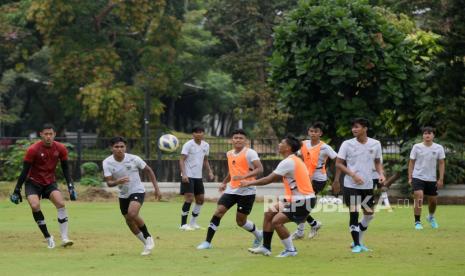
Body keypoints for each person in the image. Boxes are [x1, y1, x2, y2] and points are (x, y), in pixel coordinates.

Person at [242, 135, 316, 258]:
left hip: (304, 201)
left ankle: (291, 250)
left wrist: (249, 182)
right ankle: (266, 247)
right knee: (269, 213)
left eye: (282, 143)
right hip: (297, 199)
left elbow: (268, 179)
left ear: (288, 148)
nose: (279, 144)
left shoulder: (288, 161)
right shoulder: (294, 160)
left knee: (277, 221)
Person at [10, 123, 76, 249]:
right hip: (33, 183)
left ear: (55, 134)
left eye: (51, 134)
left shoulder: (60, 148)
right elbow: (24, 171)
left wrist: (71, 186)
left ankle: (64, 238)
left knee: (61, 204)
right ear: (41, 135)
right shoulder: (33, 150)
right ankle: (48, 237)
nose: (48, 137)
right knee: (35, 206)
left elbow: (66, 169)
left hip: (50, 183)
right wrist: (17, 190)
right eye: (46, 134)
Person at [197, 129, 263, 250]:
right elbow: (232, 171)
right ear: (232, 140)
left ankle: (258, 235)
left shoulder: (250, 153)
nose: (238, 140)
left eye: (241, 138)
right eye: (236, 137)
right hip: (231, 190)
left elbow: (260, 169)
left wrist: (244, 177)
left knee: (241, 221)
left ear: (245, 140)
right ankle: (207, 242)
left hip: (247, 192)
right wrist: (224, 182)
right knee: (218, 212)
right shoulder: (229, 153)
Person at [102, 136, 162, 256]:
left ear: (125, 147)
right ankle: (145, 243)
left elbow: (149, 170)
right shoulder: (107, 162)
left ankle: (148, 237)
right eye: (116, 147)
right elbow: (109, 182)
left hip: (137, 190)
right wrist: (118, 182)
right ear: (111, 148)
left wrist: (157, 189)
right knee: (129, 220)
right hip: (123, 194)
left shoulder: (134, 159)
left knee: (132, 213)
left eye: (122, 146)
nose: (119, 149)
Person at [334, 118, 385, 253]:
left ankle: (358, 241)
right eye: (353, 127)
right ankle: (357, 244)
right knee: (354, 213)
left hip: (367, 185)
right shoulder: (347, 144)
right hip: (351, 185)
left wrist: (381, 174)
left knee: (369, 214)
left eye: (357, 127)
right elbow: (338, 163)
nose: (354, 129)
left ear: (365, 128)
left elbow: (378, 161)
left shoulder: (376, 144)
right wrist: (352, 175)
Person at [292, 121, 339, 240]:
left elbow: (338, 160)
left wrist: (336, 178)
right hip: (304, 178)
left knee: (302, 204)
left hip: (318, 179)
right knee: (299, 203)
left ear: (320, 133)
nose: (313, 133)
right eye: (311, 131)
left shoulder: (325, 147)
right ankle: (313, 224)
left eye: (316, 131)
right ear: (308, 132)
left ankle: (300, 231)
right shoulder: (303, 144)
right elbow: (297, 156)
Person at [408, 126, 445, 230]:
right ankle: (417, 222)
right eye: (425, 133)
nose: (427, 135)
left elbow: (441, 163)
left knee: (433, 201)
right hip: (418, 176)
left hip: (432, 178)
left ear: (433, 135)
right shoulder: (416, 147)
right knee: (419, 196)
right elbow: (411, 162)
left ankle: (431, 217)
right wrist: (410, 177)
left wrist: (441, 179)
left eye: (429, 133)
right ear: (422, 135)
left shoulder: (439, 148)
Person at [179, 126, 214, 230]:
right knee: (189, 198)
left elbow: (205, 160)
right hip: (188, 175)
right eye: (196, 132)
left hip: (198, 177)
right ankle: (183, 225)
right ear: (193, 134)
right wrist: (184, 174)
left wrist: (210, 171)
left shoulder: (206, 145)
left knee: (200, 199)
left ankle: (193, 223)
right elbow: (181, 160)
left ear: (203, 134)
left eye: (201, 132)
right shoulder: (188, 145)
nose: (199, 134)